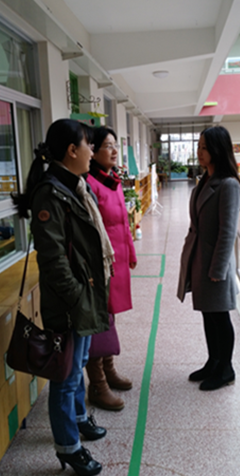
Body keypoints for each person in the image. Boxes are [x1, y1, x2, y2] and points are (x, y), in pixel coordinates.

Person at [12, 119, 111, 476]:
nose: (92, 153)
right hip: (70, 302)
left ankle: (79, 418)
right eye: (88, 146)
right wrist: (78, 298)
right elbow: (53, 260)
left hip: (84, 293)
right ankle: (68, 447)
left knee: (78, 362)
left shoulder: (75, 186)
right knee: (65, 376)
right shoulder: (51, 194)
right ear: (71, 151)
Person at [177, 126, 240, 391]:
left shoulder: (228, 185)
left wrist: (218, 269)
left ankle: (226, 369)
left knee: (220, 317)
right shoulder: (205, 180)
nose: (199, 152)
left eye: (204, 147)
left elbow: (228, 231)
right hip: (200, 259)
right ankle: (213, 361)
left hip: (215, 263)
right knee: (208, 314)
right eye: (199, 146)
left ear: (218, 149)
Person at [84, 127, 137, 411]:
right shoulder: (90, 183)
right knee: (99, 319)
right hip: (101, 262)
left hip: (117, 258)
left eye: (115, 145)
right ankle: (97, 384)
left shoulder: (112, 179)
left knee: (110, 315)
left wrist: (131, 250)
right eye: (108, 146)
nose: (114, 151)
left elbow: (124, 222)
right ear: (92, 151)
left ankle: (109, 369)